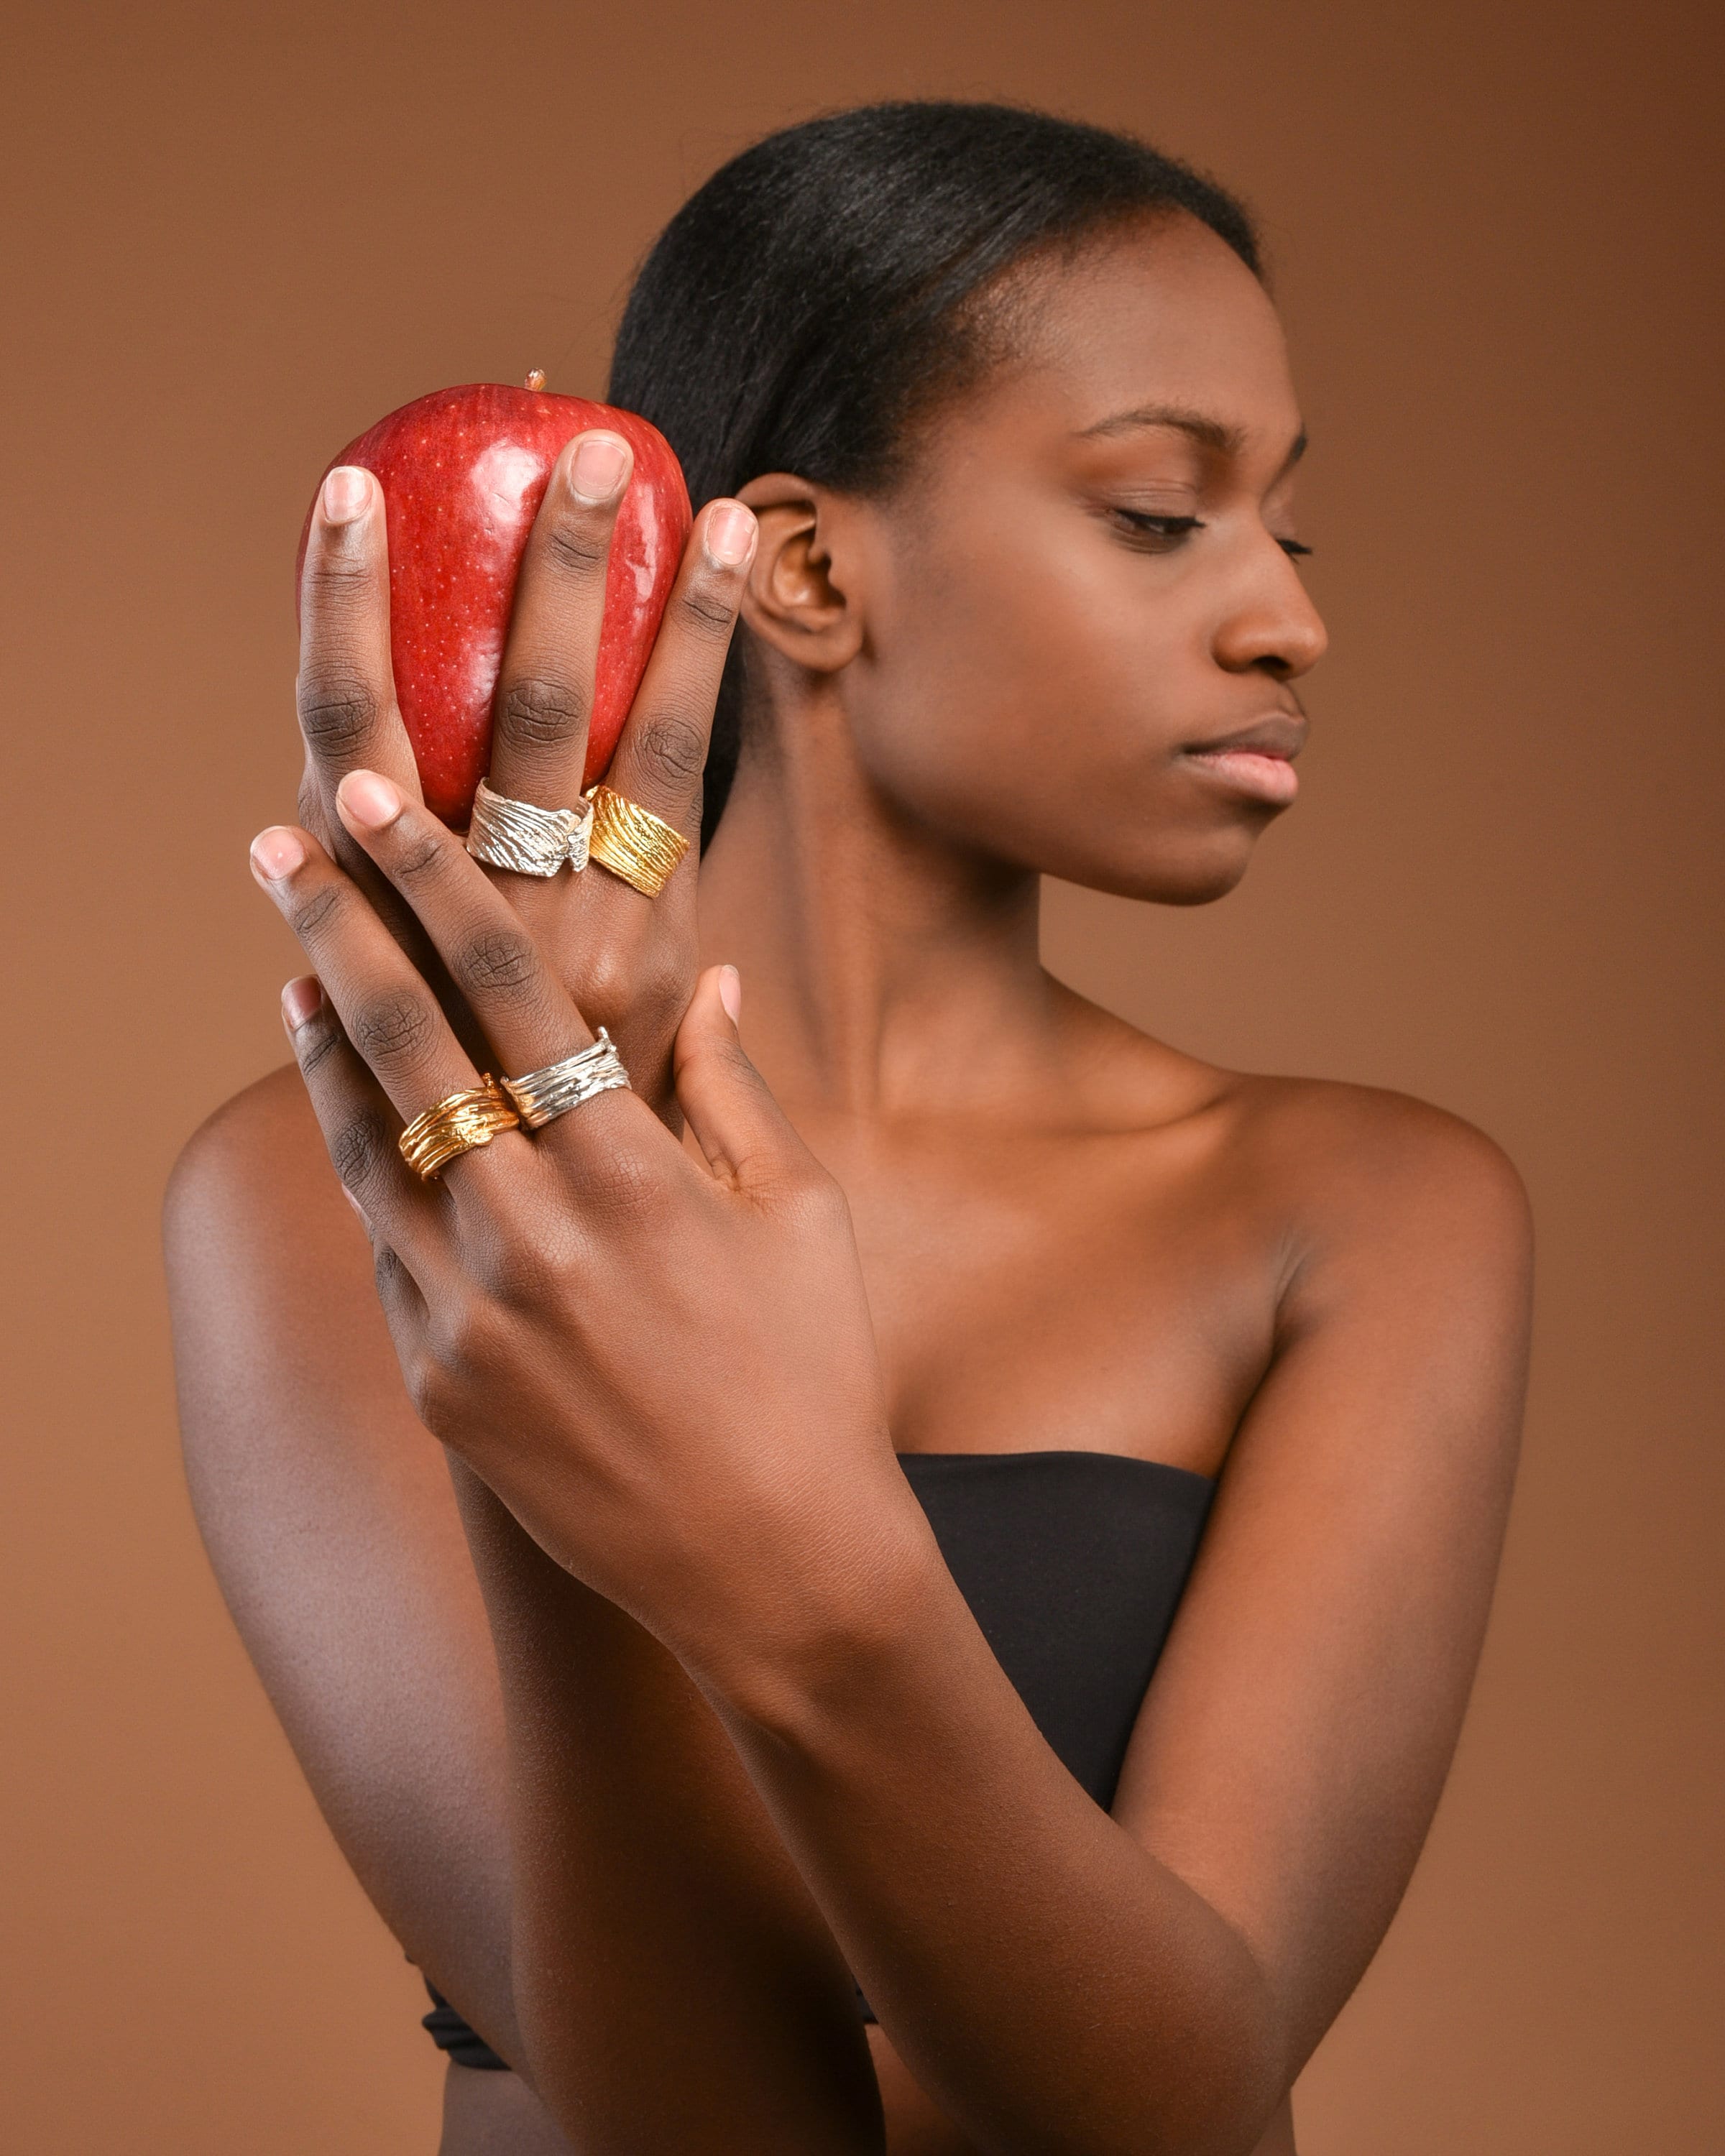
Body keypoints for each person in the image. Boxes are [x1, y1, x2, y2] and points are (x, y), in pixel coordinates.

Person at [165, 102, 1532, 2156]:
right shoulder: (316, 1183)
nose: (1289, 622)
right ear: (802, 564)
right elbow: (693, 2122)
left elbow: (1184, 2114)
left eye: (1288, 530)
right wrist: (531, 1240)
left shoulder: (1366, 1215)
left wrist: (798, 1554)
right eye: (1164, 514)